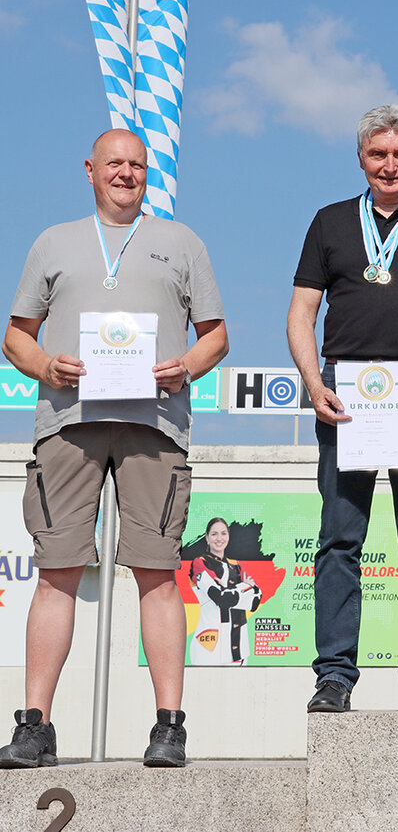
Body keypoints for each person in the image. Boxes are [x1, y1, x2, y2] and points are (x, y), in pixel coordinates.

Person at [0, 129, 228, 768]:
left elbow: (216, 336)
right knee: (57, 571)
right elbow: (16, 336)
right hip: (67, 422)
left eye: (137, 165)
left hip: (155, 426)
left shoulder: (182, 242)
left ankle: (169, 726)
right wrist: (46, 365)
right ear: (90, 169)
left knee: (157, 571)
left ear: (147, 173)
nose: (126, 174)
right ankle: (35, 727)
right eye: (114, 164)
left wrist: (185, 366)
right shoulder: (54, 241)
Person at [287, 105, 398, 715]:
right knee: (340, 540)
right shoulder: (329, 222)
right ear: (361, 158)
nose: (389, 165)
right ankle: (335, 677)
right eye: (377, 154)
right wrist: (313, 383)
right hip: (345, 392)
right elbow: (301, 313)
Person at [188, 518, 262, 666]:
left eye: (223, 533)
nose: (219, 538)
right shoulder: (200, 563)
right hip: (210, 645)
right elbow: (221, 599)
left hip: (240, 648)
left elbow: (256, 598)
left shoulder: (236, 565)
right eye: (214, 534)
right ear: (207, 537)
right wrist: (243, 589)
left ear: (228, 536)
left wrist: (228, 590)